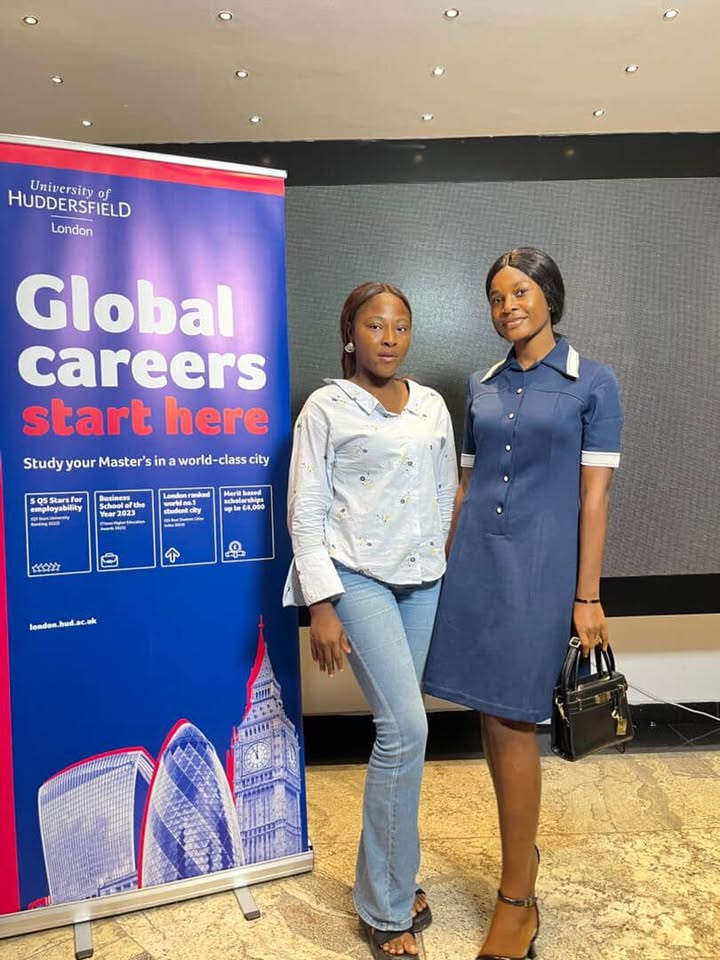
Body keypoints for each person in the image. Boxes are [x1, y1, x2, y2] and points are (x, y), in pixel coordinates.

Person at [423, 248, 623, 960]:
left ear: (549, 297)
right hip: (476, 564)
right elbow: (464, 489)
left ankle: (518, 896)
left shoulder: (592, 382)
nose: (508, 305)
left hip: (540, 571)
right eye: (497, 296)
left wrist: (587, 594)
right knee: (491, 713)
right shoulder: (479, 386)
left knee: (512, 717)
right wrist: (442, 567)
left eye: (521, 291)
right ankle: (522, 867)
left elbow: (594, 495)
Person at [283, 281, 458, 958]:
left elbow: (446, 489)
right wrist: (322, 602)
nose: (389, 338)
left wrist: (434, 558)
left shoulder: (433, 406)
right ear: (350, 333)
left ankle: (387, 878)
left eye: (402, 327)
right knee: (406, 728)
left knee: (403, 740)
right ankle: (385, 913)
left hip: (422, 582)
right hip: (356, 578)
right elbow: (306, 506)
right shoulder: (326, 407)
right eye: (376, 326)